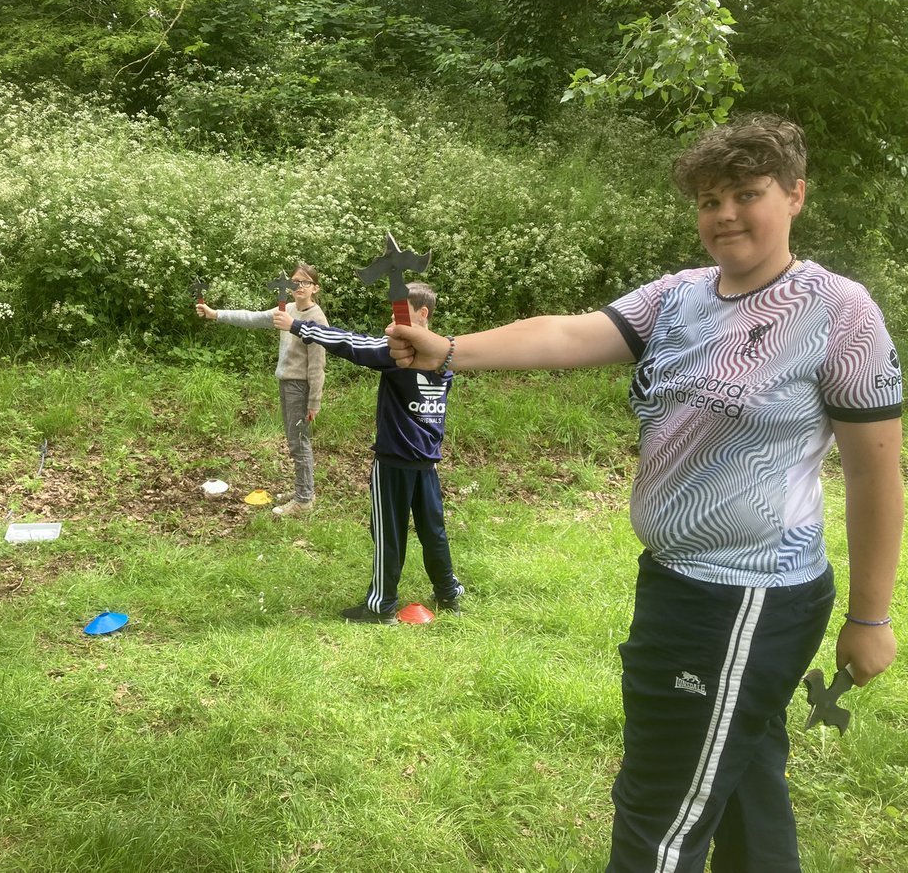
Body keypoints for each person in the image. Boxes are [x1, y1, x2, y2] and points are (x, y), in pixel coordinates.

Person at [384, 114, 902, 870]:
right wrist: (450, 348)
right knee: (744, 777)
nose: (724, 215)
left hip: (748, 595)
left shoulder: (839, 312)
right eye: (708, 200)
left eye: (746, 194)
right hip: (676, 580)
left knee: (660, 811)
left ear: (794, 195)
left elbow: (874, 473)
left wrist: (871, 616)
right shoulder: (681, 296)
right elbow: (567, 335)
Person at [274, 281, 466, 623]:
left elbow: (351, 343)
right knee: (432, 529)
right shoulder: (443, 356)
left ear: (423, 314)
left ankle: (381, 606)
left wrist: (298, 326)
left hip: (395, 461)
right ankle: (448, 592)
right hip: (426, 461)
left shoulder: (401, 353)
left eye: (402, 313)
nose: (394, 323)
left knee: (388, 532)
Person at [197, 263, 327, 516]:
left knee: (299, 442)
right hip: (287, 383)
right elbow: (253, 318)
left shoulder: (315, 318)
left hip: (301, 387)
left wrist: (314, 401)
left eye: (305, 282)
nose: (299, 286)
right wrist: (215, 314)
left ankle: (304, 500)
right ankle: (304, 488)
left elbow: (317, 365)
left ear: (315, 288)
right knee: (295, 440)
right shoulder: (286, 310)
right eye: (295, 282)